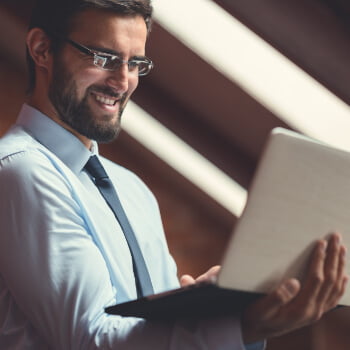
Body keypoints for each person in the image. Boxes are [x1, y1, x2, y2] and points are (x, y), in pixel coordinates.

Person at [0, 0, 347, 349]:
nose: (123, 82)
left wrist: (206, 308)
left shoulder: (132, 190)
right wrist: (245, 326)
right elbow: (92, 339)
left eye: (135, 63)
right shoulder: (22, 172)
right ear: (42, 49)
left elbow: (147, 332)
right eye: (104, 58)